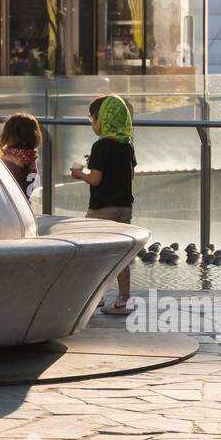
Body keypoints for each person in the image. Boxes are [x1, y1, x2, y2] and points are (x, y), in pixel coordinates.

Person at [72, 95, 137, 314]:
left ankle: (93, 298)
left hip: (101, 208)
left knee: (92, 254)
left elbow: (96, 179)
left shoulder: (100, 146)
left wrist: (80, 173)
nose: (92, 123)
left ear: (103, 119)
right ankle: (122, 300)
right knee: (121, 255)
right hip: (124, 207)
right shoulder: (127, 145)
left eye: (93, 118)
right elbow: (129, 175)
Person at [0, 113, 42, 205]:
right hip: (25, 208)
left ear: (7, 135)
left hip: (8, 209)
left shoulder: (6, 162)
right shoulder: (31, 158)